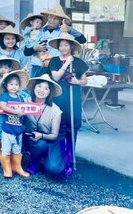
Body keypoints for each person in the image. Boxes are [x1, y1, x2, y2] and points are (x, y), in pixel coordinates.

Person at [48, 32, 88, 177]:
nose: (64, 48)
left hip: (73, 96)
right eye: (61, 45)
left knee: (73, 126)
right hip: (59, 96)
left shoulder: (78, 62)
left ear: (71, 46)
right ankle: (61, 156)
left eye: (66, 45)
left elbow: (84, 80)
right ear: (58, 47)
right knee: (59, 126)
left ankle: (71, 155)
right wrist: (66, 63)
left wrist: (77, 82)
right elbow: (56, 77)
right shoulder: (54, 61)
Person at [25, 5, 87, 77]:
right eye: (50, 17)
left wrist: (70, 29)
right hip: (37, 66)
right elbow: (26, 52)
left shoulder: (64, 32)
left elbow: (82, 40)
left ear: (61, 20)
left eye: (56, 19)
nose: (52, 20)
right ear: (47, 18)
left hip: (56, 67)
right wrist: (35, 48)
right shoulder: (38, 31)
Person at [24, 74, 65, 176]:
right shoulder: (25, 101)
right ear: (34, 87)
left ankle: (56, 157)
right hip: (30, 137)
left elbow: (54, 135)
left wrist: (41, 136)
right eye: (39, 86)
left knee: (54, 169)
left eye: (46, 88)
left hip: (49, 139)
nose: (42, 90)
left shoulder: (55, 110)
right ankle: (34, 161)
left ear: (50, 92)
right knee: (39, 145)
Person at [0, 56, 21, 160]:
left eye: (6, 67)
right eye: (0, 67)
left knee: (7, 127)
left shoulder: (12, 81)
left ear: (10, 69)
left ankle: (5, 149)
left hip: (9, 110)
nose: (3, 69)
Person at [0, 70, 30, 178]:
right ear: (6, 85)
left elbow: (25, 110)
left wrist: (24, 113)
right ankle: (7, 169)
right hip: (7, 128)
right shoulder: (5, 96)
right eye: (11, 84)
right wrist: (17, 112)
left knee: (17, 149)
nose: (14, 87)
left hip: (18, 129)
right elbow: (3, 106)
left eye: (16, 84)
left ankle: (17, 167)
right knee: (6, 149)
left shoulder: (21, 98)